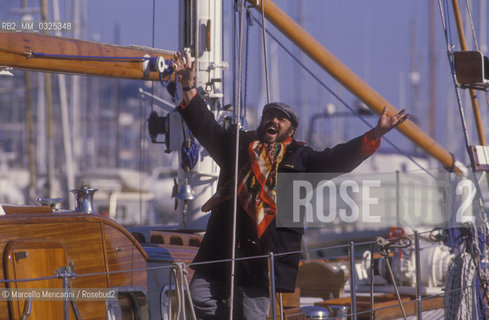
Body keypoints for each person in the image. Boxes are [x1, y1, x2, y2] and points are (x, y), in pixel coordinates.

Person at [171, 51, 409, 320]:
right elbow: (206, 127)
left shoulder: (301, 158)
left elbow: (339, 159)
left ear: (290, 130)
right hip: (223, 245)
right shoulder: (238, 145)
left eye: (281, 119)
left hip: (264, 254)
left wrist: (375, 133)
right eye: (269, 115)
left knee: (251, 314)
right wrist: (188, 86)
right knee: (199, 296)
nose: (273, 120)